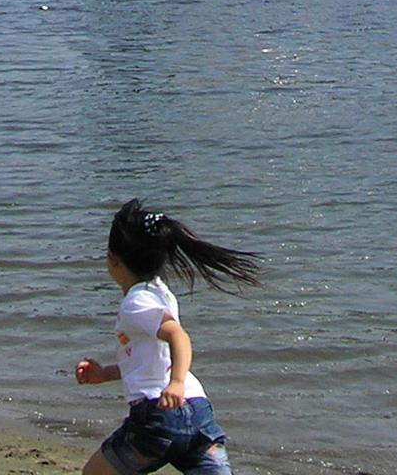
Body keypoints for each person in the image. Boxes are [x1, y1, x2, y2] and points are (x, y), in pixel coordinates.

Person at [74, 200, 262, 475]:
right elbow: (149, 362)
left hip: (159, 416)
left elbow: (178, 336)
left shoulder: (135, 303)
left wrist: (175, 383)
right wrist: (104, 374)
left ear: (112, 258)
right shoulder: (160, 292)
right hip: (198, 412)